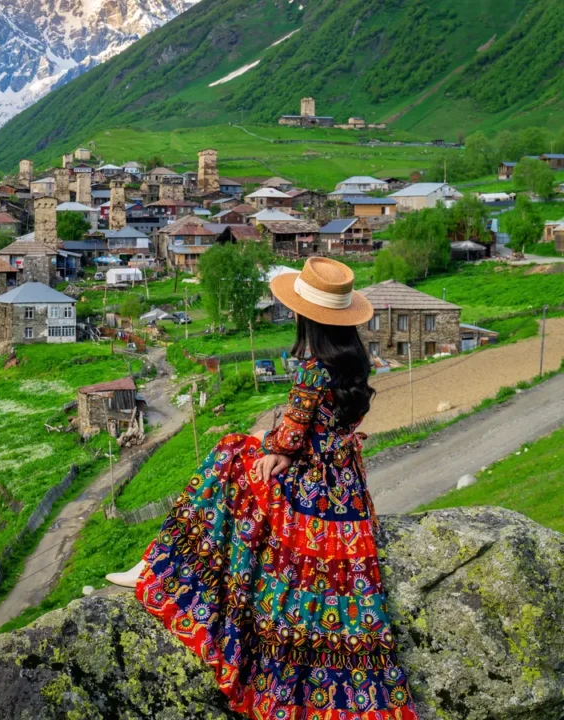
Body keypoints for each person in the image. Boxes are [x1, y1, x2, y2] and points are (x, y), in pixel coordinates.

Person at [125, 258, 417, 719]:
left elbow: (292, 437)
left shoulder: (311, 370)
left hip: (309, 487)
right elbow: (323, 428)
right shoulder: (356, 361)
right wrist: (282, 446)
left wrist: (275, 448)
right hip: (345, 485)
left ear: (307, 317)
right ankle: (160, 560)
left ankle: (161, 564)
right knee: (243, 457)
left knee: (228, 454)